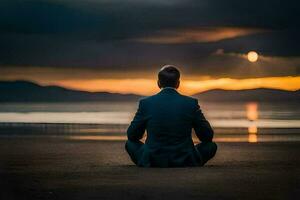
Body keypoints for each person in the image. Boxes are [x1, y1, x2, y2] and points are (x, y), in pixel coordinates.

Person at [125, 65, 217, 167]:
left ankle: (148, 160)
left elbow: (132, 135)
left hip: (154, 160)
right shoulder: (191, 103)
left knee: (130, 144)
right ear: (178, 83)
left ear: (158, 83)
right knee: (211, 146)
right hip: (185, 160)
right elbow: (207, 136)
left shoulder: (146, 103)